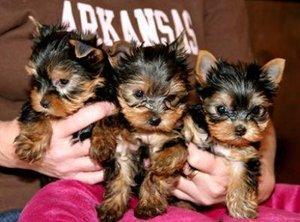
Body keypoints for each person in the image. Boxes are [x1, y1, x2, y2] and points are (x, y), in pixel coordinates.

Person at [0, 0, 299, 221]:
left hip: (184, 202)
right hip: (22, 199)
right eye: (139, 95)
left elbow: (248, 99)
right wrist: (14, 149)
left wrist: (252, 174)